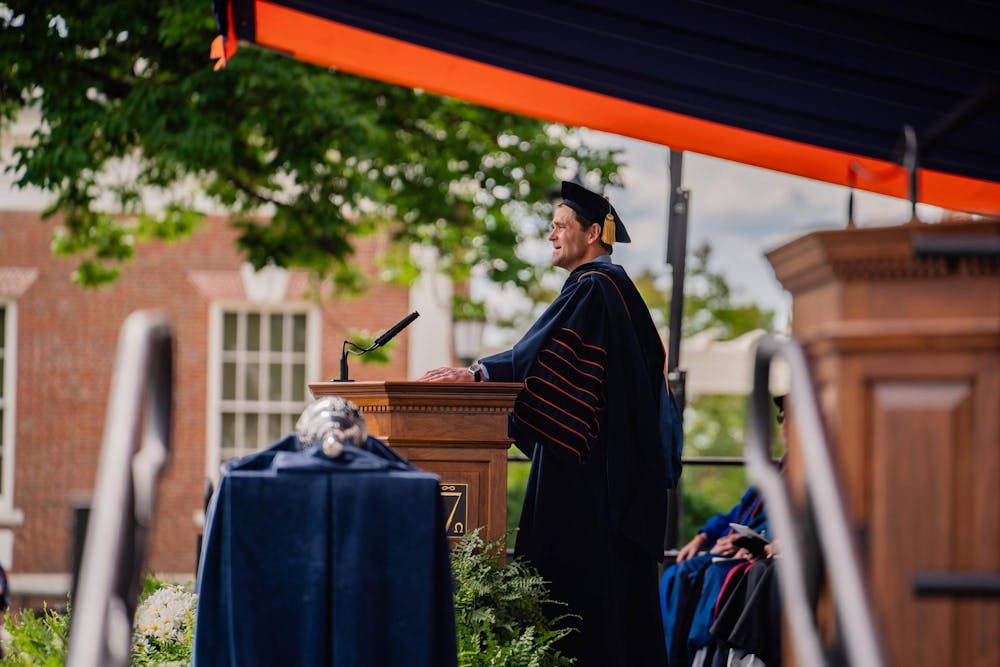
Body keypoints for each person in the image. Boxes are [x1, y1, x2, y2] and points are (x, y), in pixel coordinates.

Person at [421, 180, 683, 666]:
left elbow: (540, 355)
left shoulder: (596, 288)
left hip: (588, 477)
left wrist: (480, 374)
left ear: (593, 233)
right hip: (609, 469)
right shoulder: (612, 291)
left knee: (578, 593)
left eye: (561, 226)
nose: (551, 235)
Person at [659, 395, 787, 666]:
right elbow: (734, 513)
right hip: (735, 548)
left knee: (712, 576)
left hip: (757, 554)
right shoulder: (775, 472)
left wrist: (751, 542)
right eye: (782, 418)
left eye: (791, 419)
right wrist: (703, 536)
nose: (785, 426)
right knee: (677, 572)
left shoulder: (804, 474)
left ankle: (704, 656)